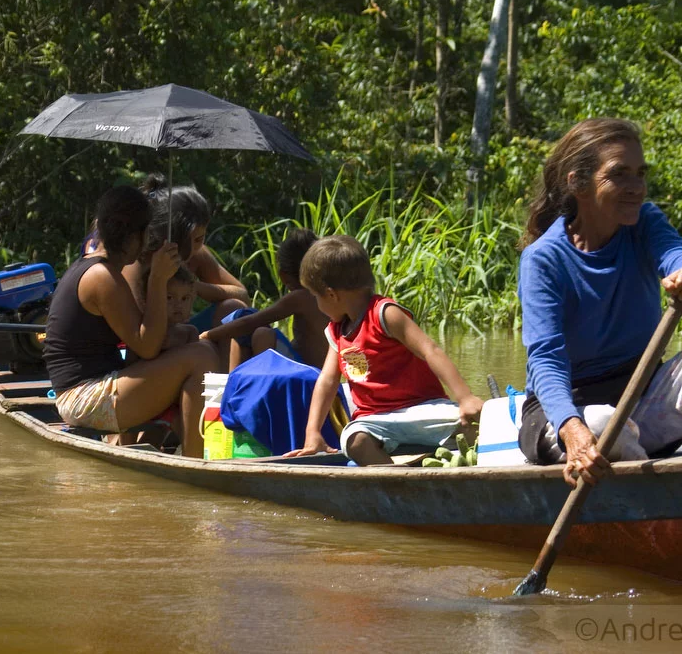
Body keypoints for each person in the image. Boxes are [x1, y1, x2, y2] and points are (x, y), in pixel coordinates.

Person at [517, 117, 682, 488]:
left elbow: (675, 252)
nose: (636, 188)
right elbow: (546, 359)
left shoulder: (643, 223)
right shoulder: (543, 259)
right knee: (601, 423)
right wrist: (572, 429)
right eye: (619, 174)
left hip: (640, 400)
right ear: (578, 183)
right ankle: (664, 499)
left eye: (640, 174)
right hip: (566, 414)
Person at [42, 186, 218, 458]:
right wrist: (158, 279)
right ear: (133, 236)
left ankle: (185, 449)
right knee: (202, 356)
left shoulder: (102, 269)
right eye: (146, 234)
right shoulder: (101, 277)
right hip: (83, 398)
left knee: (194, 342)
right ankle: (195, 462)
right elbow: (147, 346)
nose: (148, 243)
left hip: (96, 387)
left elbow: (144, 343)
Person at [285, 235, 484, 465]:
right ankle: (395, 480)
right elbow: (327, 381)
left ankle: (465, 465)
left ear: (331, 294)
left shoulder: (384, 314)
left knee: (474, 425)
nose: (317, 304)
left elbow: (430, 350)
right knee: (354, 440)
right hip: (375, 420)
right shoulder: (337, 332)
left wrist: (465, 397)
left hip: (422, 410)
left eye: (315, 296)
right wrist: (312, 432)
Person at [122, 175, 248, 370]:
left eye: (201, 238)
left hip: (184, 333)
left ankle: (226, 383)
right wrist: (159, 280)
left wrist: (192, 287)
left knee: (233, 308)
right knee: (198, 351)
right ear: (174, 235)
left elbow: (242, 295)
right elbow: (138, 338)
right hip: (145, 348)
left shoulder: (196, 253)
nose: (199, 246)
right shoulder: (137, 261)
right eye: (195, 239)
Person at [199, 229, 329, 370]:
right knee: (258, 332)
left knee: (258, 329)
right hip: (313, 368)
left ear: (283, 275)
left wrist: (207, 335)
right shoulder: (325, 294)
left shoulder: (300, 297)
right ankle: (240, 378)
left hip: (305, 371)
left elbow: (248, 322)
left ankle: (234, 379)